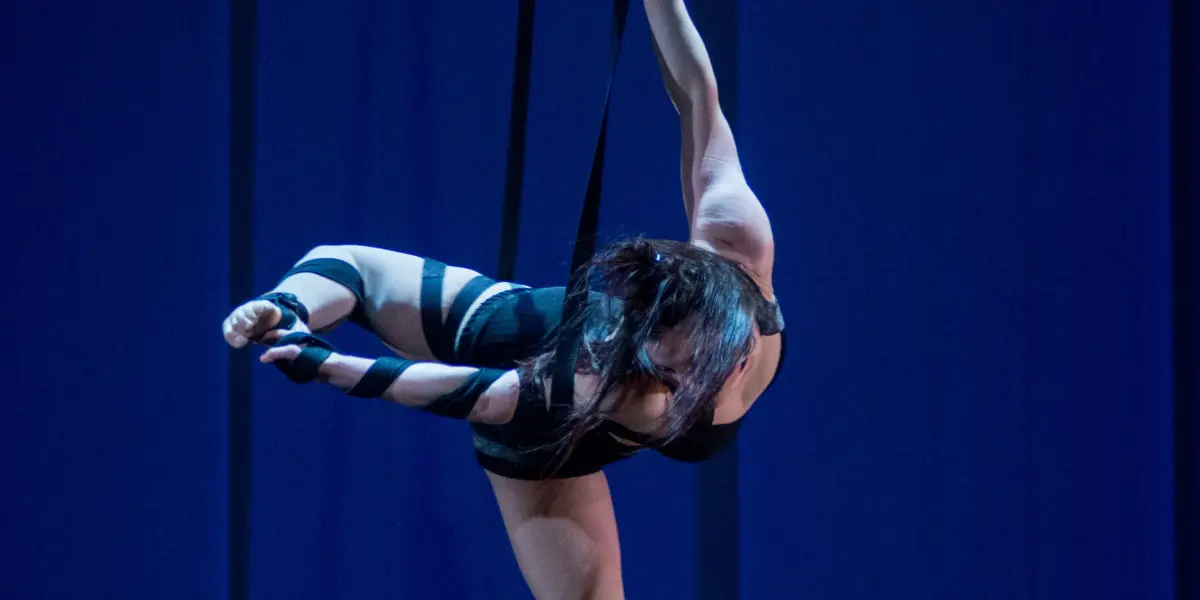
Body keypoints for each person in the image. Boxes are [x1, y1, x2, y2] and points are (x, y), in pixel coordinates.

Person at [221, 1, 782, 597]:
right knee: (349, 268)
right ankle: (284, 305)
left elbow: (698, 94)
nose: (660, 375)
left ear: (734, 352)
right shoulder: (619, 379)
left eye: (674, 370)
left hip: (538, 385)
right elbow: (486, 394)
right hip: (533, 380)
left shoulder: (738, 250)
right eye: (651, 354)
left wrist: (334, 367)